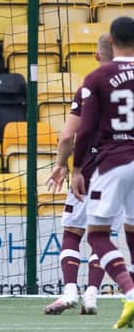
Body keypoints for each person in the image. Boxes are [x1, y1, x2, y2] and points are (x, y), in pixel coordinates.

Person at [44, 34, 120, 315]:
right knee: (102, 233)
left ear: (97, 57)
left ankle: (69, 292)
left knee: (73, 232)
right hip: (119, 171)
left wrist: (61, 164)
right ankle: (92, 295)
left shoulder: (89, 86)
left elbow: (68, 137)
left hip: (87, 170)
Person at [71, 16, 134, 329]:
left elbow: (85, 130)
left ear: (111, 40)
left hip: (113, 163)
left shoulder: (98, 77)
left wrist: (77, 167)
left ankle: (131, 291)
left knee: (97, 235)